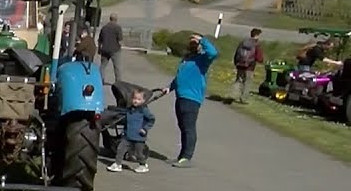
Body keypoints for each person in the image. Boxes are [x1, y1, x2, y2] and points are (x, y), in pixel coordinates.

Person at [156, 33, 218, 167]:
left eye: (195, 43)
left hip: (192, 98)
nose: (193, 45)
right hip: (180, 96)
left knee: (189, 127)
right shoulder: (187, 59)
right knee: (182, 126)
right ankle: (181, 156)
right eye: (191, 43)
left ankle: (187, 157)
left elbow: (213, 52)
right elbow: (180, 77)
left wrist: (202, 39)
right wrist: (169, 87)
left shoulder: (203, 59)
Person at [106, 88, 155, 174]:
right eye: (134, 99)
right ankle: (117, 164)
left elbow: (151, 119)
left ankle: (143, 165)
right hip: (128, 135)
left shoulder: (143, 110)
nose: (136, 101)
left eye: (139, 99)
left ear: (143, 100)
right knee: (120, 149)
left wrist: (145, 128)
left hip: (139, 136)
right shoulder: (129, 109)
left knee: (139, 153)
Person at [231, 27, 265, 103]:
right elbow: (259, 57)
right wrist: (261, 61)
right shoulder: (256, 44)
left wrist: (236, 63)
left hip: (240, 65)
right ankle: (244, 99)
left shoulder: (243, 42)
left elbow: (237, 53)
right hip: (250, 66)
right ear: (257, 35)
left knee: (238, 80)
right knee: (247, 82)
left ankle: (233, 95)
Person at [98, 13, 124, 84]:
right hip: (115, 50)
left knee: (102, 66)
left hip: (105, 49)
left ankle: (101, 79)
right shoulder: (117, 27)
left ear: (110, 18)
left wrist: (99, 49)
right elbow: (120, 39)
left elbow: (100, 40)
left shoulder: (104, 27)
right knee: (117, 67)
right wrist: (121, 47)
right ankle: (118, 82)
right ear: (116, 19)